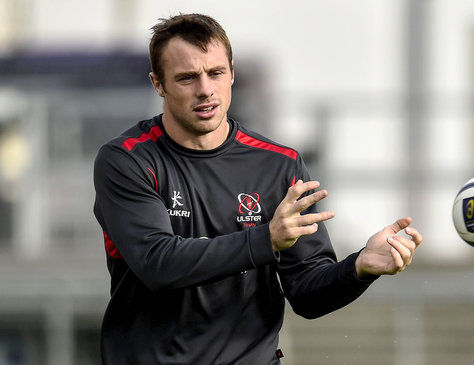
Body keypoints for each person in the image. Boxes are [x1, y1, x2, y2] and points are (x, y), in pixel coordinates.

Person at [93, 13, 423, 364]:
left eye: (216, 73)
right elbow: (158, 264)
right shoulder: (127, 160)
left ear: (232, 73)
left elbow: (308, 295)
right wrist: (265, 240)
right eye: (187, 77)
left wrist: (360, 267)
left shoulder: (279, 166)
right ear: (158, 84)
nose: (205, 89)